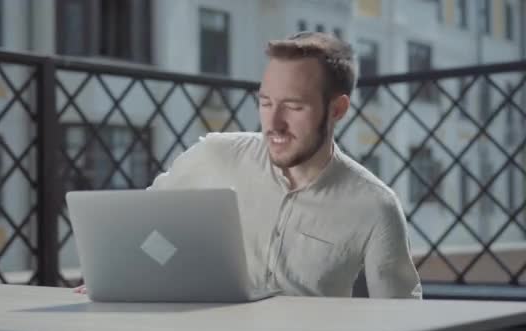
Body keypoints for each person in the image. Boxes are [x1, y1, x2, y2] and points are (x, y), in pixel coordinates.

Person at [75, 32, 422, 299]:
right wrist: (120, 276)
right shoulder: (215, 155)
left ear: (337, 109)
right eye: (266, 102)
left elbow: (399, 318)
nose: (274, 122)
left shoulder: (375, 205)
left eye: (294, 106)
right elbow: (139, 225)